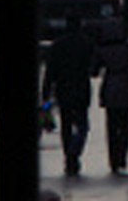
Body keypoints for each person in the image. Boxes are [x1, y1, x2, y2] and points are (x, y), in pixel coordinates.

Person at [42, 14, 95, 177]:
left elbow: (49, 71)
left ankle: (68, 155)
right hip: (81, 88)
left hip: (63, 89)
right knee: (82, 125)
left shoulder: (57, 45)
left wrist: (45, 93)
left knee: (66, 125)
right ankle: (75, 152)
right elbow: (94, 68)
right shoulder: (87, 43)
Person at [91, 18, 128, 175]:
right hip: (126, 88)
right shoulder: (127, 48)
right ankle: (122, 157)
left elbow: (93, 70)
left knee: (112, 126)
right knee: (125, 125)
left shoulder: (101, 49)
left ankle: (113, 159)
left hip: (109, 89)